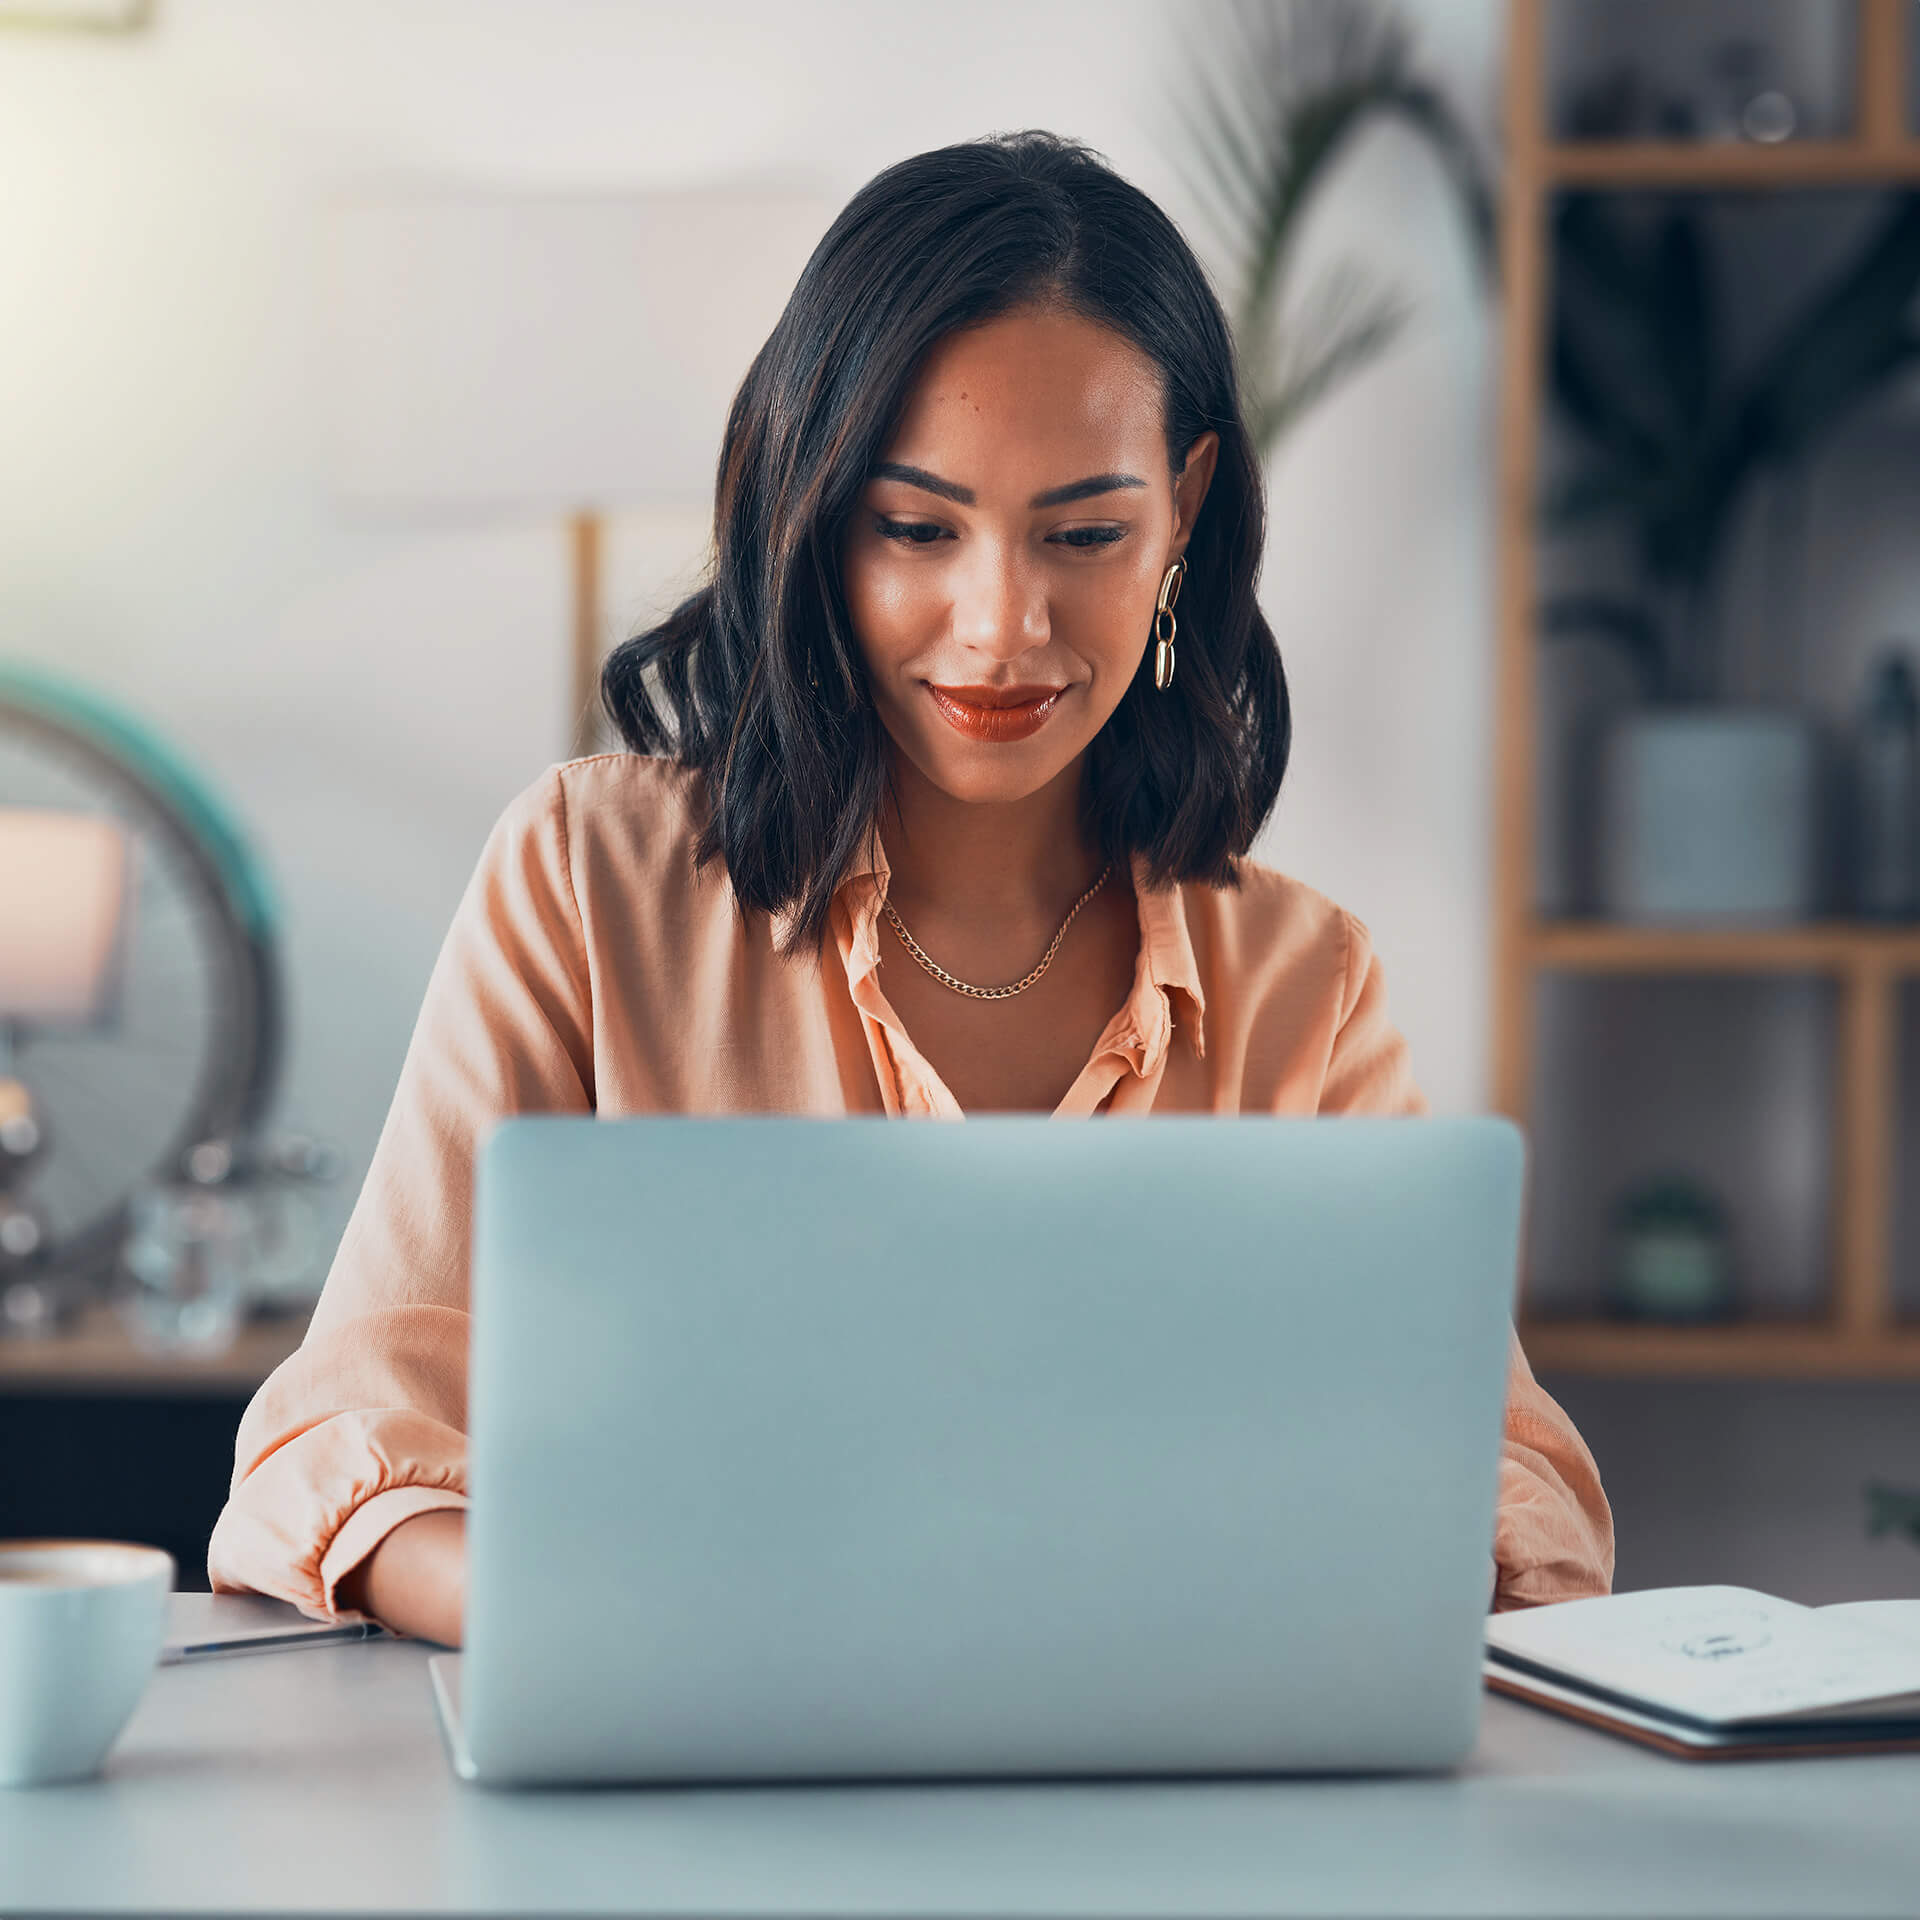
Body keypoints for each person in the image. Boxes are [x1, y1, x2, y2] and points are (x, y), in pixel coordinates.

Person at [209, 131, 1612, 1648]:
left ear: (1186, 515)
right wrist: (596, 1620)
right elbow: (338, 1443)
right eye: (916, 529)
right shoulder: (584, 881)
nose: (1002, 624)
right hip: (686, 1780)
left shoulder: (1300, 985)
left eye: (1085, 533)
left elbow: (1508, 1482)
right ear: (813, 520)